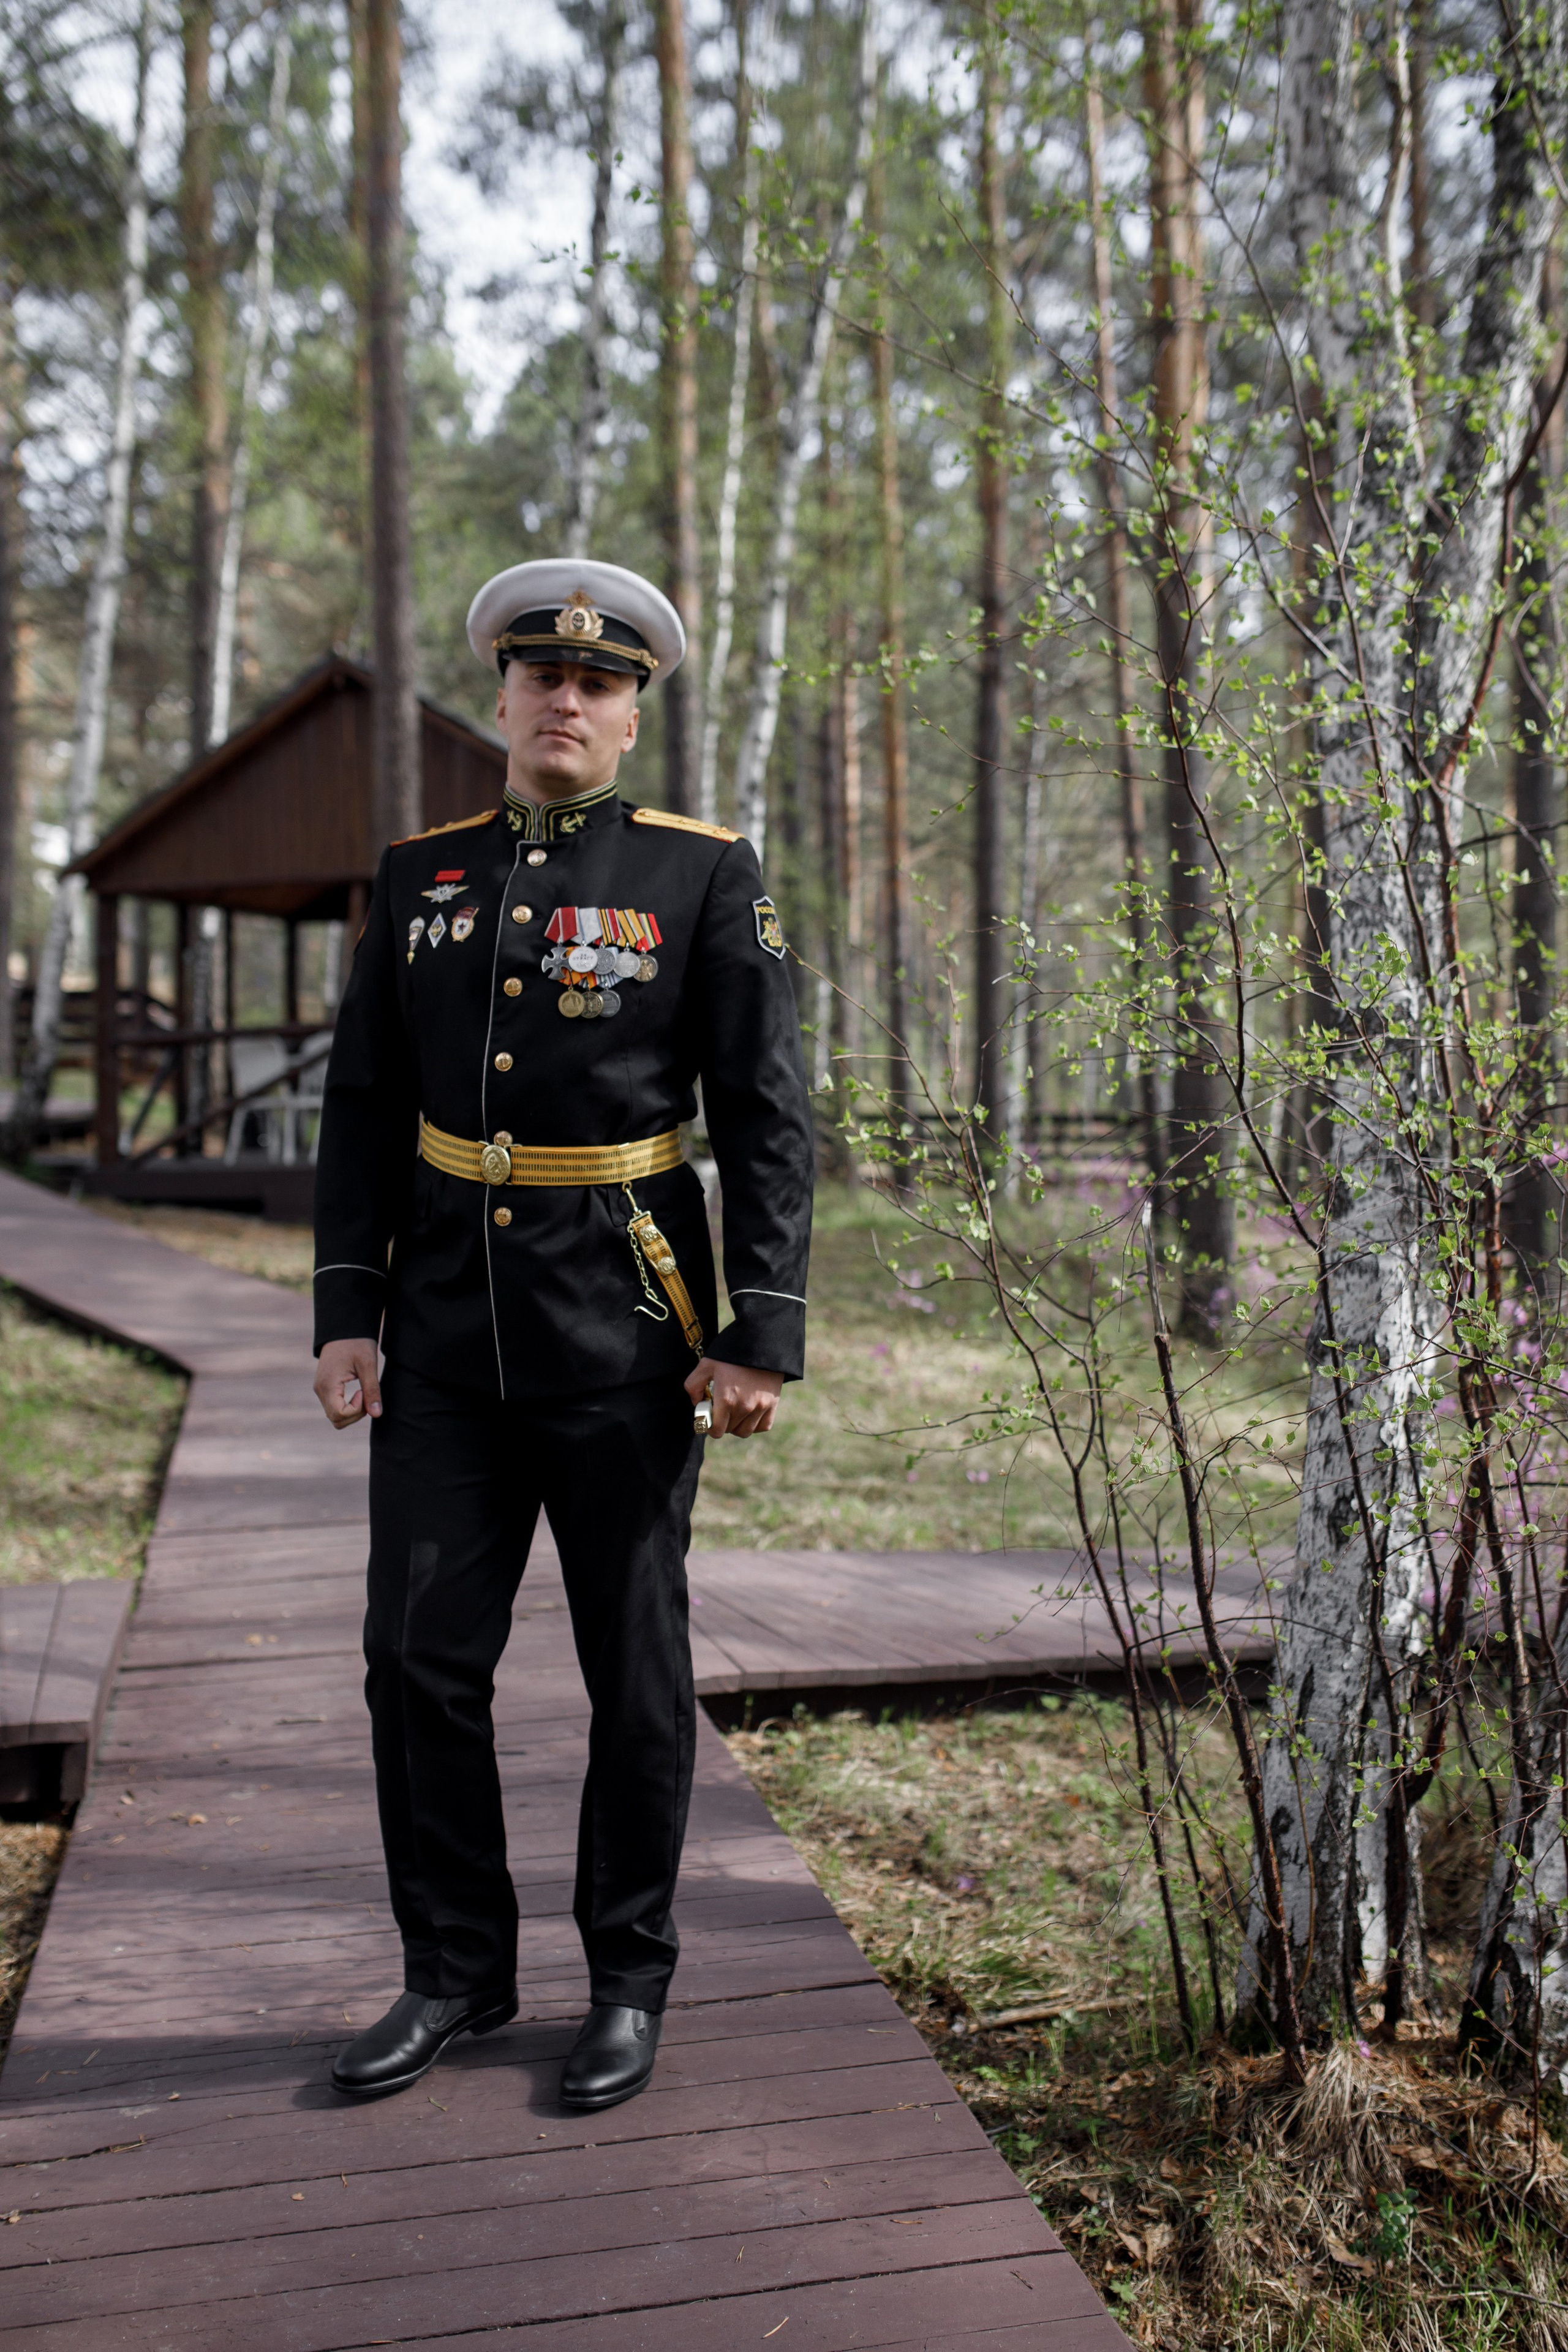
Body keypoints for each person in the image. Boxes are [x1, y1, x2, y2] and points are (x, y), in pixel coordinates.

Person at [311, 559, 814, 2111]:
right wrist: (349, 1306)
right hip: (450, 1341)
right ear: (505, 697)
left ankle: (625, 1980)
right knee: (416, 1661)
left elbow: (767, 1113)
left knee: (636, 1671)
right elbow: (361, 1109)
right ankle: (454, 1974)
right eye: (542, 678)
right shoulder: (417, 878)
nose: (566, 701)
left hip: (625, 1330)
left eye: (597, 685)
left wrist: (760, 1331)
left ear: (632, 710)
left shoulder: (702, 875)